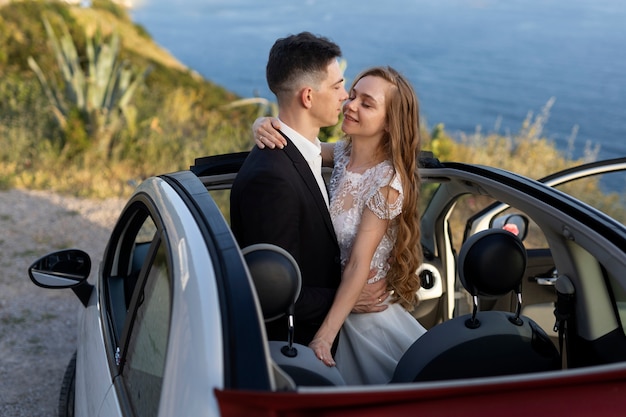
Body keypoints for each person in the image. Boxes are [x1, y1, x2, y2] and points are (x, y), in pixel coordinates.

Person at [253, 66, 427, 385]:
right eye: (353, 94)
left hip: (364, 319)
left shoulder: (386, 182)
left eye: (367, 103)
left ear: (390, 123)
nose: (350, 104)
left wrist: (323, 337)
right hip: (334, 303)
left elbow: (359, 262)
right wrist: (262, 124)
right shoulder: (343, 154)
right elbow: (298, 148)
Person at [230, 32, 389, 350]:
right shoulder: (271, 181)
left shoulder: (308, 151)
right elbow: (274, 293)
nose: (345, 97)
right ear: (307, 97)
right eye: (338, 86)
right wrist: (350, 300)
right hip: (300, 347)